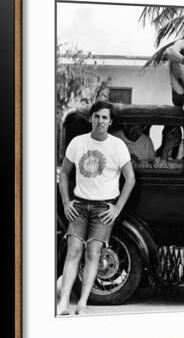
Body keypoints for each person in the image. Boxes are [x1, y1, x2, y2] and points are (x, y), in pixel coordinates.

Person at [57, 101, 136, 315]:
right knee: (73, 251)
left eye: (105, 117)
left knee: (93, 253)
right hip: (80, 205)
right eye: (97, 116)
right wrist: (66, 202)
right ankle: (64, 302)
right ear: (91, 118)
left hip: (103, 207)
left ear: (110, 122)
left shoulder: (117, 146)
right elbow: (64, 173)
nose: (100, 121)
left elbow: (130, 179)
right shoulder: (77, 143)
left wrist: (117, 208)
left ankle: (82, 303)